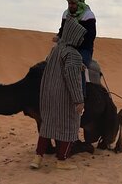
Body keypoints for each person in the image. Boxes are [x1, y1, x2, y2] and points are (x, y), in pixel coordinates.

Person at [31, 17, 86, 170]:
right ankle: (61, 161)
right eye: (80, 36)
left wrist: (77, 65)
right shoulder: (73, 54)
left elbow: (53, 63)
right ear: (74, 36)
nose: (81, 40)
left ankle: (37, 158)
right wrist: (78, 101)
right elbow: (73, 79)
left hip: (47, 93)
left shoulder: (55, 50)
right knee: (69, 125)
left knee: (48, 125)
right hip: (64, 96)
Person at [53, 0, 96, 95]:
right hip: (67, 46)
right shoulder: (66, 14)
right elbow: (63, 29)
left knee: (77, 66)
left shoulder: (88, 15)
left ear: (79, 3)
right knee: (50, 62)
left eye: (73, 3)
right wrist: (58, 36)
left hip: (84, 48)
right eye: (69, 3)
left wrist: (76, 42)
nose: (71, 6)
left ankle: (80, 96)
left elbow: (91, 36)